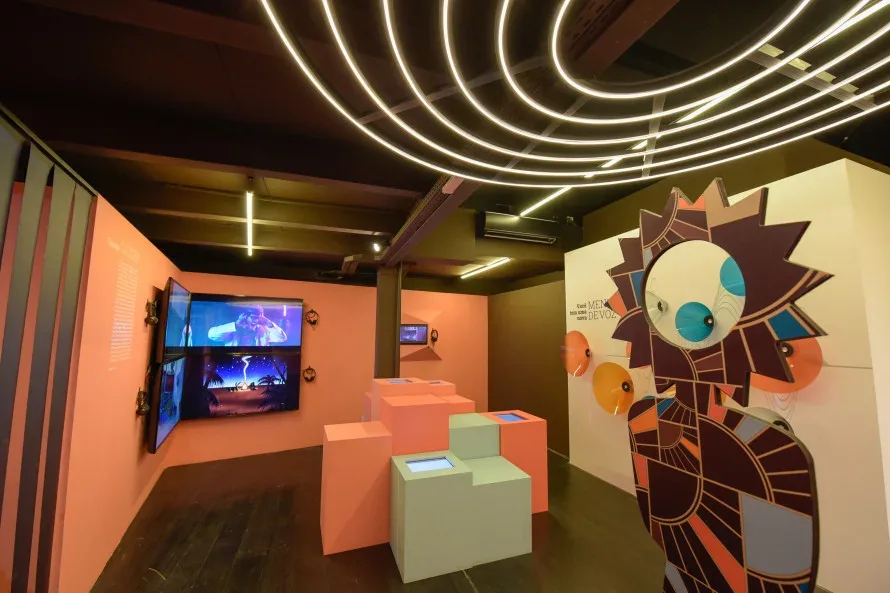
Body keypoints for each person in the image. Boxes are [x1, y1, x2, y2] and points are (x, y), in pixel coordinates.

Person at [207, 305, 287, 347]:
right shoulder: (233, 331)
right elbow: (211, 335)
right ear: (245, 317)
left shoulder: (264, 330)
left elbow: (282, 338)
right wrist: (236, 325)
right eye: (253, 318)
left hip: (258, 365)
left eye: (259, 318)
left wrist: (269, 324)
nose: (256, 321)